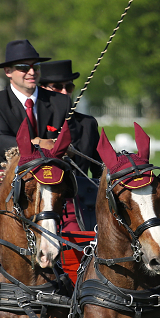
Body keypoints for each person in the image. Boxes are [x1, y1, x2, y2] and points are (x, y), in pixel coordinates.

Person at [0, 40, 73, 194]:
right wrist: (38, 143)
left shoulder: (60, 101)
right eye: (24, 68)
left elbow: (71, 137)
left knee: (70, 216)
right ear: (8, 71)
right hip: (10, 177)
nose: (32, 72)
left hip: (55, 177)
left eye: (35, 66)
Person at [38, 59, 103, 232]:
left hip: (81, 203)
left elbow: (100, 169)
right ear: (43, 89)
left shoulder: (87, 124)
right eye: (57, 87)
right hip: (43, 204)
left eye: (69, 87)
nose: (64, 92)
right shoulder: (34, 122)